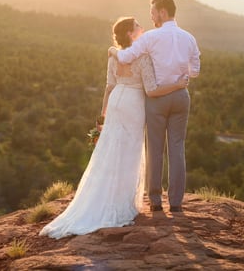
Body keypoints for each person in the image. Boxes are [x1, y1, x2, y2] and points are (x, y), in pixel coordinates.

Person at [40, 16, 189, 239]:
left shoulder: (113, 57)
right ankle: (120, 204)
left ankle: (102, 198)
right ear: (131, 33)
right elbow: (151, 90)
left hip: (117, 102)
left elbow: (109, 87)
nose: (141, 28)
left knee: (110, 152)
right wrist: (177, 85)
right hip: (133, 106)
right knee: (129, 152)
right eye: (137, 26)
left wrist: (102, 115)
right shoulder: (143, 57)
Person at [109, 0, 200, 213]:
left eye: (152, 13)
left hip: (157, 98)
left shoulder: (150, 37)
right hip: (180, 96)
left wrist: (112, 51)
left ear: (162, 12)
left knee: (155, 149)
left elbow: (125, 57)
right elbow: (195, 71)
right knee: (177, 147)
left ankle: (156, 201)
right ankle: (176, 202)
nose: (151, 17)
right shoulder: (189, 38)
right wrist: (180, 79)